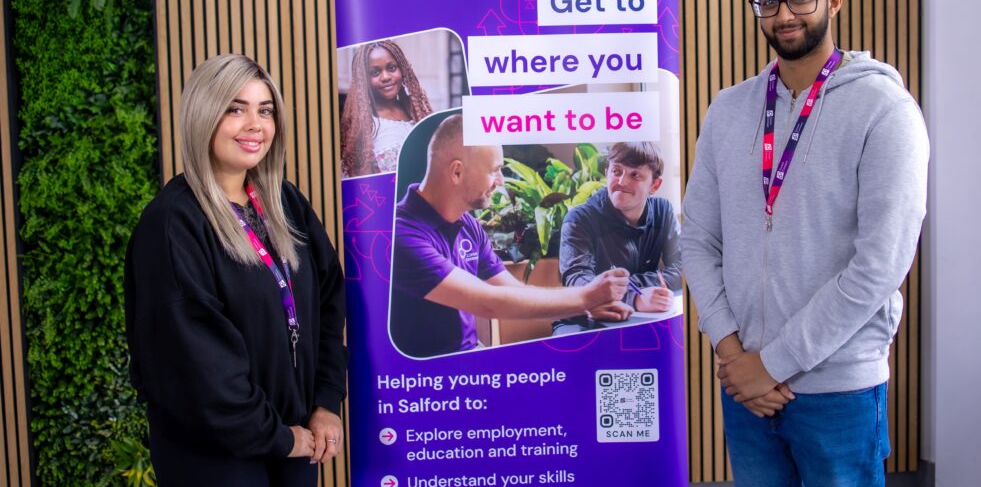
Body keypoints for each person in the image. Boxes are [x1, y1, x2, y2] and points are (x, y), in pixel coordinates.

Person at [680, 0, 929, 486]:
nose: (784, 14)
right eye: (767, 1)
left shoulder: (885, 109)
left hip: (838, 387)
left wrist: (771, 364)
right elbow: (697, 238)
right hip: (746, 385)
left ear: (833, 1)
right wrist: (732, 352)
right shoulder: (728, 110)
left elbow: (880, 265)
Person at [125, 55, 347, 486]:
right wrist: (278, 437)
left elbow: (327, 299)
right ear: (203, 115)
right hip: (216, 458)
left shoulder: (284, 202)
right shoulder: (172, 226)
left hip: (294, 441)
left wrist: (325, 400)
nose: (255, 125)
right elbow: (195, 365)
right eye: (235, 109)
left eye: (265, 110)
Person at [390, 114, 631, 357]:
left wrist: (584, 306)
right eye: (494, 170)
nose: (501, 181)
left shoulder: (468, 225)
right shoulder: (401, 235)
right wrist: (585, 297)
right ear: (457, 172)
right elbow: (489, 303)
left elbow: (512, 290)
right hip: (425, 374)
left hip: (469, 359)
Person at [553, 141, 683, 333]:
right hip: (583, 324)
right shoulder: (580, 218)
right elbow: (578, 281)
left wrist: (638, 289)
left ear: (654, 185)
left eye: (635, 175)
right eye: (616, 171)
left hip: (643, 320)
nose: (622, 182)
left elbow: (685, 266)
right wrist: (635, 298)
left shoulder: (663, 212)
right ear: (607, 173)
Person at [340, 39, 433, 177]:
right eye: (375, 72)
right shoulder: (363, 125)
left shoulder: (415, 112)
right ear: (364, 80)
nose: (385, 77)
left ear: (402, 69)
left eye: (391, 68)